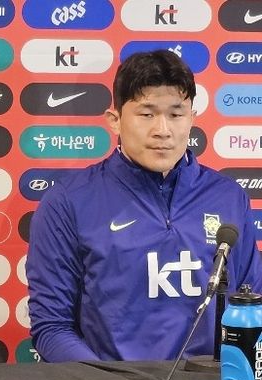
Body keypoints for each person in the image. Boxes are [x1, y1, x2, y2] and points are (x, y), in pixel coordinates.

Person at [26, 49, 262, 363]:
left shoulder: (229, 197)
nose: (163, 130)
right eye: (147, 114)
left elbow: (252, 307)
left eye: (176, 114)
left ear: (192, 118)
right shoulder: (67, 202)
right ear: (115, 120)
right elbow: (52, 328)